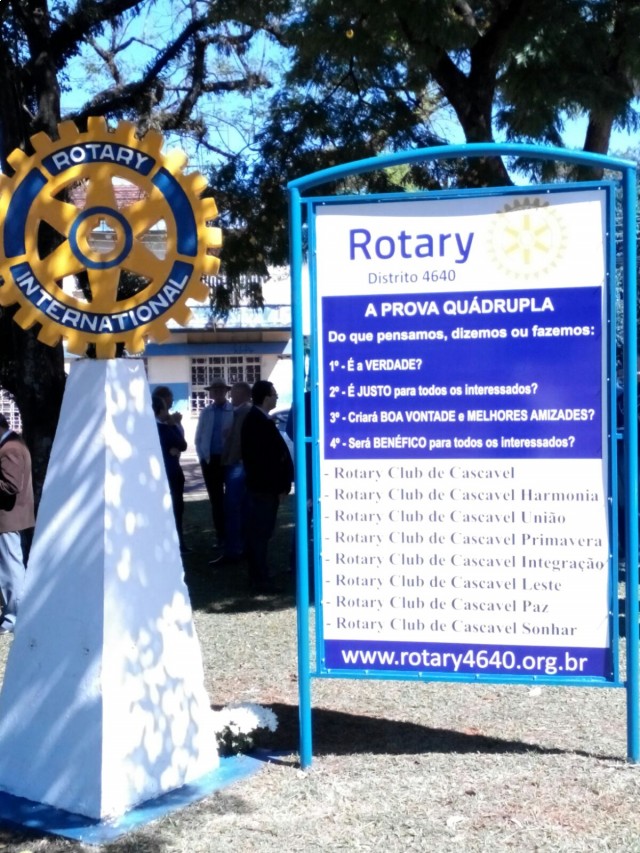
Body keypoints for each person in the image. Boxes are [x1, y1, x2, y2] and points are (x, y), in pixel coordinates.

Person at [241, 381, 294, 594]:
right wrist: (279, 486)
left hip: (264, 489)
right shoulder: (256, 422)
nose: (277, 397)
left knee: (262, 534)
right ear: (265, 397)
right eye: (274, 393)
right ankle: (260, 578)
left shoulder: (260, 420)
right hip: (263, 490)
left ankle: (260, 574)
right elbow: (265, 461)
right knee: (259, 534)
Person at [211, 382, 252, 566]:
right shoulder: (240, 412)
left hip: (237, 465)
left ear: (242, 394)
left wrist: (234, 458)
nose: (231, 396)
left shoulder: (244, 412)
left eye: (234, 393)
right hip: (236, 464)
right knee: (239, 508)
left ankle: (233, 550)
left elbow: (240, 441)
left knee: (233, 508)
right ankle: (240, 547)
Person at [0, 414, 35, 634]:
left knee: (11, 569)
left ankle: (14, 617)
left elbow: (11, 485)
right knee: (9, 567)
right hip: (11, 518)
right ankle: (12, 615)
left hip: (8, 518)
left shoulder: (10, 448)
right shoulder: (12, 444)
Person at [194, 380, 234, 549]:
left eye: (220, 390)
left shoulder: (233, 410)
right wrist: (202, 457)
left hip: (228, 460)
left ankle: (233, 534)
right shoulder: (206, 412)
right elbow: (199, 436)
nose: (217, 393)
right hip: (210, 461)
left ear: (226, 391)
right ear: (211, 393)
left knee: (232, 499)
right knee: (216, 500)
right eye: (214, 390)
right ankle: (221, 536)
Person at [152, 395, 188, 553]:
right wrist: (173, 425)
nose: (168, 412)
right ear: (160, 411)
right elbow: (183, 444)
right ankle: (178, 544)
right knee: (175, 510)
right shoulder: (163, 428)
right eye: (166, 408)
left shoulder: (150, 429)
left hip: (164, 474)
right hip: (171, 474)